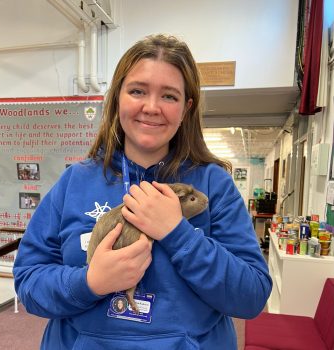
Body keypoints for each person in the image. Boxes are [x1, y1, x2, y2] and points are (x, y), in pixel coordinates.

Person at [14, 34, 272, 349]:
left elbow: (252, 296)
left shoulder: (214, 186)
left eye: (169, 96)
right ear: (117, 98)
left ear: (186, 108)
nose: (151, 107)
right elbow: (29, 282)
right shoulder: (74, 183)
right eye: (137, 91)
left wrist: (179, 234)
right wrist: (89, 283)